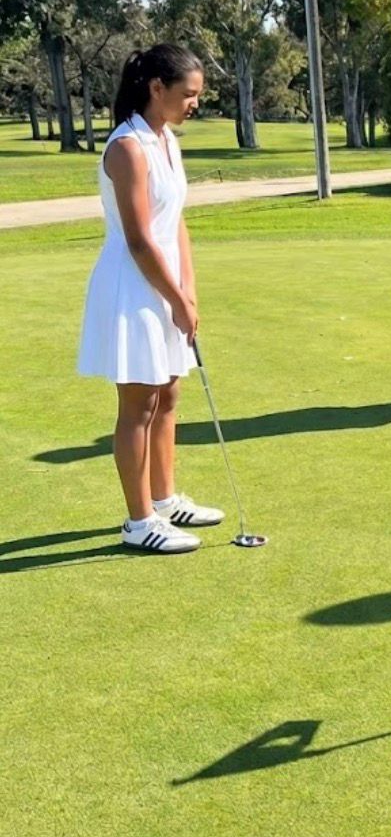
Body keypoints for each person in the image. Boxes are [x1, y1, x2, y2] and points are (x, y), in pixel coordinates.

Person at [78, 44, 224, 553]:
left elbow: (175, 222)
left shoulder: (165, 140)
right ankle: (139, 521)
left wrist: (188, 291)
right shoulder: (127, 147)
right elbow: (139, 240)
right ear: (156, 88)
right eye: (188, 94)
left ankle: (164, 500)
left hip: (165, 283)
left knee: (168, 393)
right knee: (138, 404)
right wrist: (175, 298)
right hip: (132, 286)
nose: (195, 104)